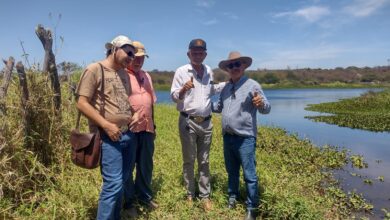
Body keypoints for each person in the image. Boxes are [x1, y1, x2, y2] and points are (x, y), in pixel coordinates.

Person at [76, 35, 140, 220]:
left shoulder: (123, 73)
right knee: (113, 184)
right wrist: (106, 125)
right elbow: (81, 103)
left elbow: (123, 101)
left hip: (127, 134)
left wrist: (132, 114)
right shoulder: (95, 69)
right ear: (114, 49)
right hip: (107, 136)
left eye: (133, 55)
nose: (131, 58)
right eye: (128, 52)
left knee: (122, 180)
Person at [212, 51, 271, 220]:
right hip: (228, 137)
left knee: (249, 175)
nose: (234, 68)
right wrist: (201, 104)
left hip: (245, 138)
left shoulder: (253, 85)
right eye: (231, 65)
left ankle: (252, 207)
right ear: (227, 69)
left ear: (243, 66)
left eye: (237, 64)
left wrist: (261, 104)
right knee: (231, 171)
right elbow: (219, 107)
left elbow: (266, 108)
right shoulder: (226, 87)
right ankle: (233, 197)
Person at [170, 38, 225, 211]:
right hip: (188, 121)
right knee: (189, 159)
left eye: (200, 52)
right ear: (189, 54)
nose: (197, 55)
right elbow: (173, 96)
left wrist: (229, 84)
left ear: (205, 54)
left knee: (204, 160)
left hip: (207, 123)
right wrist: (183, 89)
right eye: (194, 52)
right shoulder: (181, 71)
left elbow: (211, 90)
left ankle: (204, 196)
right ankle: (189, 194)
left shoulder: (209, 71)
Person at [123, 41, 158, 217]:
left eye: (142, 57)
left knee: (146, 164)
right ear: (129, 57)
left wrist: (154, 124)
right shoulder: (122, 75)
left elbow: (151, 101)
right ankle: (128, 202)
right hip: (129, 129)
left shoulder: (146, 75)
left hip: (147, 127)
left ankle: (144, 196)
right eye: (136, 57)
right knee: (128, 166)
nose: (139, 61)